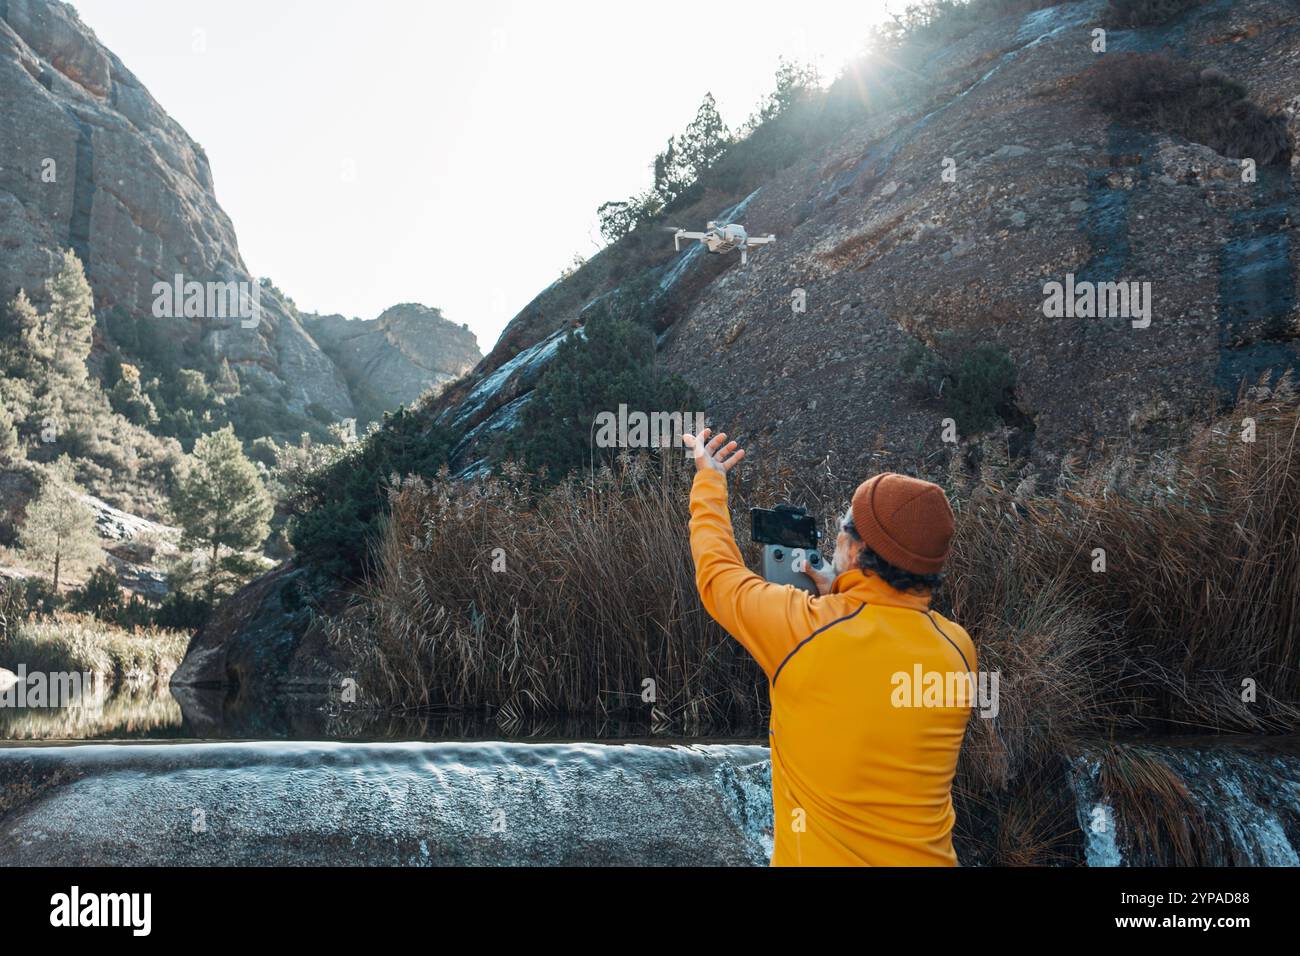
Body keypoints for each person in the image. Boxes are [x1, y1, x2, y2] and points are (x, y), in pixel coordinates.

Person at [683, 428, 976, 866]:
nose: (836, 537)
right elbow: (872, 659)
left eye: (843, 527)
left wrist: (710, 480)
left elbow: (718, 575)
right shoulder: (958, 649)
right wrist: (836, 591)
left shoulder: (800, 630)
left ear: (857, 551)